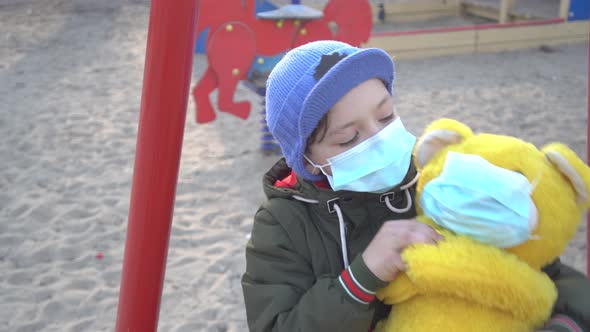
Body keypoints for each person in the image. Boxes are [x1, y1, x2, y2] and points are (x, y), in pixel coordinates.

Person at [241, 40, 590, 332]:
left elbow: (544, 266)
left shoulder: (435, 180)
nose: (380, 140)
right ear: (307, 160)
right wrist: (361, 278)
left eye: (386, 116)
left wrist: (564, 324)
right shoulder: (283, 225)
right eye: (348, 139)